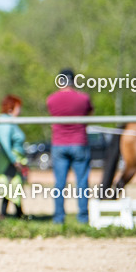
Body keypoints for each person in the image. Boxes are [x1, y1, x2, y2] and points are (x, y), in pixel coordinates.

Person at [46, 68, 94, 224]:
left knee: (59, 183)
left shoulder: (51, 99)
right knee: (82, 182)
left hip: (59, 144)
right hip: (79, 143)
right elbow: (89, 113)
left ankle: (58, 218)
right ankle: (83, 218)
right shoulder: (83, 98)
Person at [0, 95, 29, 219]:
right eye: (18, 107)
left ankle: (8, 215)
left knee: (12, 187)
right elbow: (5, 145)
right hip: (9, 162)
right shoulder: (5, 124)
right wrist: (14, 161)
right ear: (11, 108)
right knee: (12, 186)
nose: (20, 111)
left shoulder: (10, 122)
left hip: (14, 160)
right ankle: (16, 215)